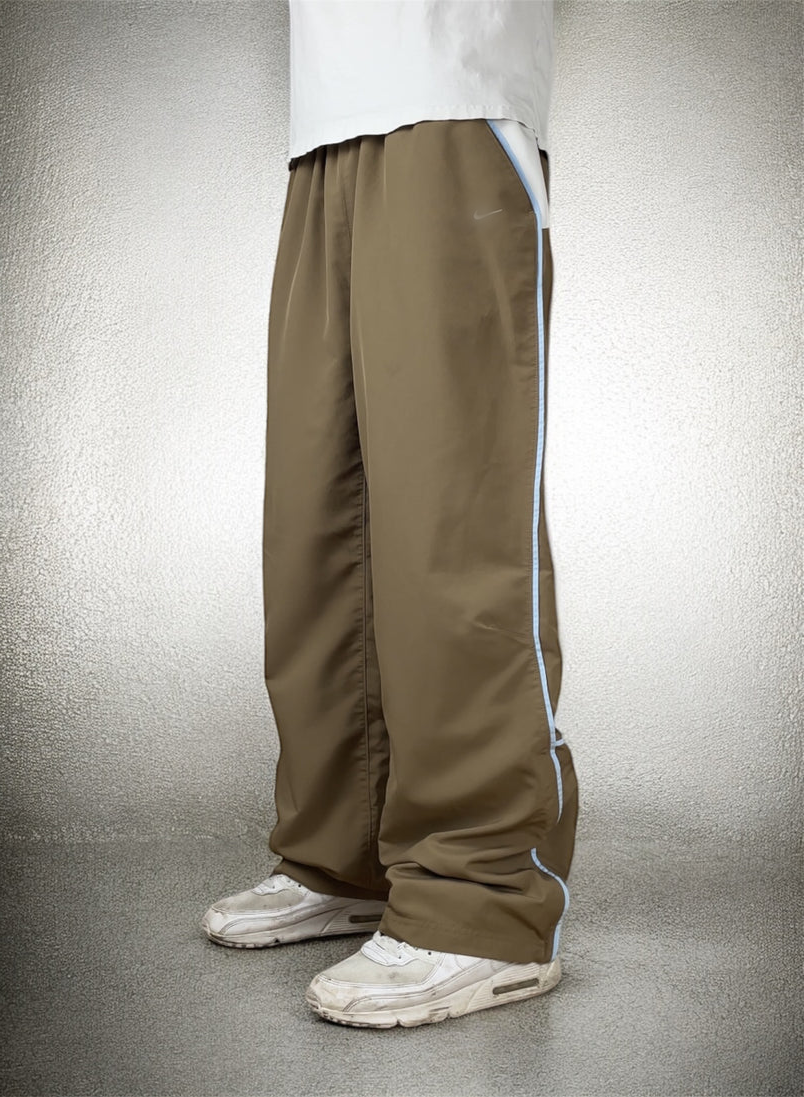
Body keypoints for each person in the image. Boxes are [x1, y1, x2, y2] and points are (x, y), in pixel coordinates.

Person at [202, 0, 579, 1029]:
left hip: (452, 88)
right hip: (326, 119)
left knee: (449, 519)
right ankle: (347, 855)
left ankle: (483, 900)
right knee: (318, 519)